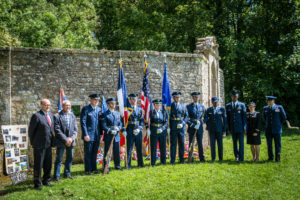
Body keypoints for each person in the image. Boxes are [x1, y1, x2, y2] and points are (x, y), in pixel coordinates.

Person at [28, 99, 54, 190]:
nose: (48, 107)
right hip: (39, 145)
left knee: (48, 164)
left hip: (48, 144)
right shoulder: (36, 116)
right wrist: (33, 143)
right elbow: (31, 131)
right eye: (46, 105)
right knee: (38, 165)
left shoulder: (51, 115)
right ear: (41, 105)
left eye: (49, 105)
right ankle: (37, 184)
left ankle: (46, 180)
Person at [53, 100, 78, 181]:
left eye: (69, 105)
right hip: (61, 141)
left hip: (71, 141)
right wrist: (65, 139)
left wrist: (71, 138)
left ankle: (67, 173)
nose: (68, 107)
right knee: (59, 159)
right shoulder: (57, 116)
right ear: (62, 106)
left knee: (69, 158)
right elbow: (57, 130)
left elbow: (75, 129)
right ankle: (56, 176)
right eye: (66, 105)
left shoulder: (72, 115)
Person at [80, 93, 102, 175]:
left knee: (95, 152)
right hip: (88, 135)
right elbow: (83, 122)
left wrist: (101, 134)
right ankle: (88, 170)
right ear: (91, 100)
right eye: (94, 99)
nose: (96, 101)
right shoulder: (85, 109)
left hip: (97, 135)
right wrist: (85, 134)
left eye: (97, 100)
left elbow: (100, 123)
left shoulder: (99, 110)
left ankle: (94, 168)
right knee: (88, 153)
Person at [101, 97, 123, 171]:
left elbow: (120, 124)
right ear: (108, 104)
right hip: (108, 136)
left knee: (117, 151)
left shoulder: (117, 113)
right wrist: (110, 130)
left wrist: (118, 128)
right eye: (112, 103)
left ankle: (117, 165)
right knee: (107, 152)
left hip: (116, 136)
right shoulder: (104, 114)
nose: (114, 104)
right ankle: (106, 166)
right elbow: (104, 126)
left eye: (114, 103)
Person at [263, 96, 287, 162]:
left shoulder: (279, 107)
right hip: (268, 130)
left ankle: (277, 158)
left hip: (277, 129)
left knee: (277, 144)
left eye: (270, 101)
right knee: (269, 144)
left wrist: (278, 124)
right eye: (267, 101)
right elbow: (264, 118)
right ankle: (270, 158)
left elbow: (284, 117)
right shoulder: (265, 108)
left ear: (273, 101)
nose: (268, 102)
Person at [226, 90, 247, 162]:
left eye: (236, 96)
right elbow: (227, 118)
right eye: (233, 96)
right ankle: (236, 156)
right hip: (232, 127)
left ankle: (241, 157)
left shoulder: (242, 105)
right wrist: (228, 128)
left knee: (241, 143)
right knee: (234, 143)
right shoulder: (228, 105)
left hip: (240, 127)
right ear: (231, 96)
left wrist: (244, 127)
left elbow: (244, 117)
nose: (235, 97)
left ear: (237, 96)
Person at [124, 93, 144, 169]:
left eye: (135, 99)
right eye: (132, 99)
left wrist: (139, 128)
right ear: (130, 100)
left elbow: (141, 121)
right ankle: (127, 165)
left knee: (139, 148)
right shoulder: (127, 109)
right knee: (129, 148)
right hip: (129, 130)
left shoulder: (140, 109)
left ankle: (140, 164)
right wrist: (124, 130)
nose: (134, 100)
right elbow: (123, 120)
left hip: (138, 131)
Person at [147, 99, 168, 166]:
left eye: (159, 105)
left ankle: (163, 161)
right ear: (154, 105)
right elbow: (148, 122)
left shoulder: (163, 112)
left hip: (162, 131)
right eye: (157, 105)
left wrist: (163, 128)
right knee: (153, 147)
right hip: (154, 131)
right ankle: (153, 162)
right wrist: (148, 129)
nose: (158, 106)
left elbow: (166, 122)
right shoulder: (151, 113)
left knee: (163, 146)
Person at [205, 97, 227, 162]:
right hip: (211, 130)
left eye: (216, 102)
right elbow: (206, 119)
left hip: (219, 129)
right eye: (214, 102)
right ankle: (213, 158)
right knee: (212, 144)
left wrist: (224, 129)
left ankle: (220, 158)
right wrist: (208, 126)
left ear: (218, 102)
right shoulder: (208, 110)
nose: (215, 103)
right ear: (212, 102)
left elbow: (225, 120)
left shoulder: (222, 109)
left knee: (220, 144)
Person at [186, 92, 206, 162]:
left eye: (197, 97)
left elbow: (206, 117)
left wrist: (201, 122)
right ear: (192, 98)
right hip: (192, 127)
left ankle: (201, 158)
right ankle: (191, 158)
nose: (196, 98)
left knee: (200, 143)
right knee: (191, 143)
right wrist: (192, 125)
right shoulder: (189, 107)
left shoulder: (202, 107)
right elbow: (186, 118)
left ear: (199, 98)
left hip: (199, 127)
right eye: (194, 97)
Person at [170, 91, 188, 164]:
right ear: (173, 98)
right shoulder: (170, 106)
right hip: (174, 126)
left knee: (181, 143)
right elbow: (168, 117)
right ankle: (173, 160)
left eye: (178, 97)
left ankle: (181, 159)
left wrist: (183, 123)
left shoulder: (183, 106)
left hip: (181, 127)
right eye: (176, 97)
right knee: (173, 143)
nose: (177, 98)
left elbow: (186, 116)